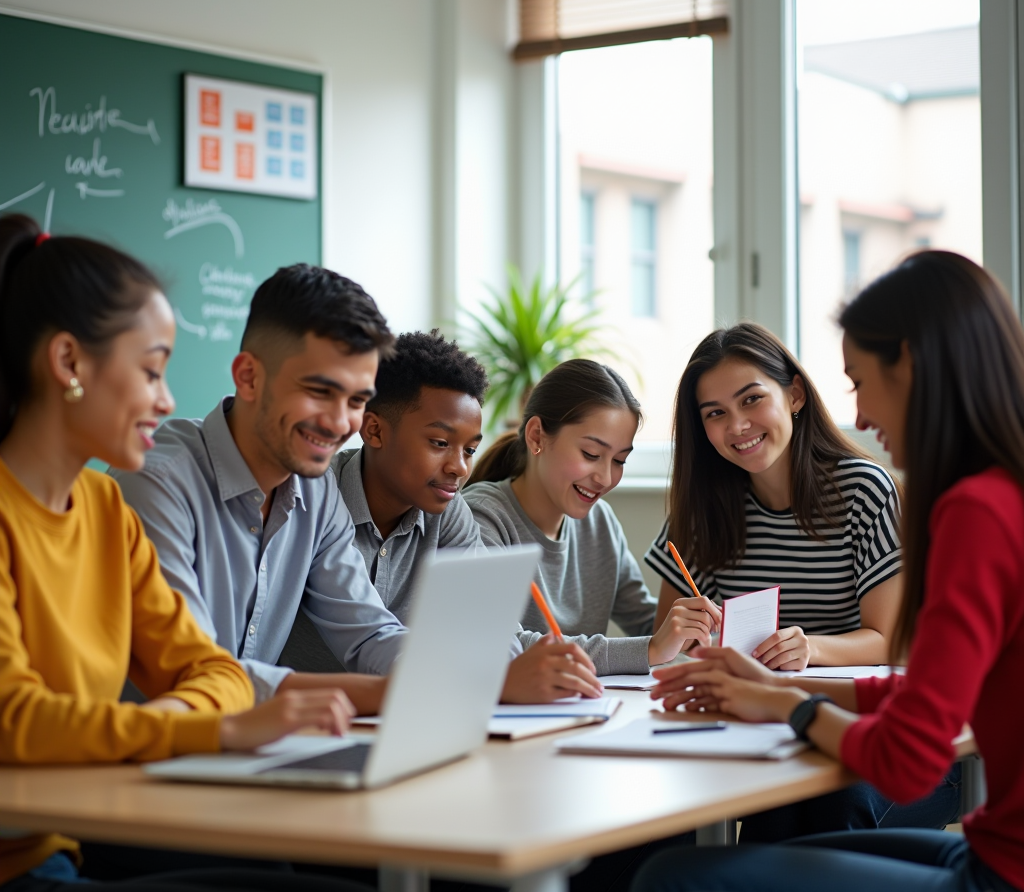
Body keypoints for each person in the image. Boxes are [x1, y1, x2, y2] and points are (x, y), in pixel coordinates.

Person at [0, 213, 398, 892]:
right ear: (69, 363)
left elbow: (210, 666)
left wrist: (221, 715)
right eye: (151, 370)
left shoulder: (99, 511)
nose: (163, 396)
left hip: (60, 850)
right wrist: (218, 727)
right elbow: (14, 720)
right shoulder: (77, 500)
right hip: (14, 873)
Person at [632, 249, 1024, 892]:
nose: (863, 412)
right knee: (769, 858)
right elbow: (933, 698)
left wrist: (790, 699)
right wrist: (764, 686)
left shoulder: (974, 511)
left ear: (912, 365)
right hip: (997, 858)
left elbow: (911, 754)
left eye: (861, 381)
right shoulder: (1001, 493)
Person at [642, 322, 959, 840]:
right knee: (755, 803)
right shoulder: (699, 509)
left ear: (794, 395)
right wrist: (686, 637)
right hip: (766, 733)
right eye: (715, 414)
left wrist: (809, 648)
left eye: (751, 400)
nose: (737, 425)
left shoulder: (862, 489)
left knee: (821, 803)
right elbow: (672, 653)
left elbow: (891, 643)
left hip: (885, 739)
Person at [112, 263, 406, 714]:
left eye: (357, 400)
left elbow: (369, 632)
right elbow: (195, 669)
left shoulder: (318, 491)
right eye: (319, 391)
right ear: (248, 377)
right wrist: (375, 695)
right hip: (146, 761)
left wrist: (451, 678)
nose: (339, 422)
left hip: (250, 754)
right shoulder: (156, 482)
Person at [280, 329, 604, 704]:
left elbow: (491, 628)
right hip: (307, 723)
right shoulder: (316, 498)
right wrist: (488, 682)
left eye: (469, 449)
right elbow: (369, 638)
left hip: (409, 715)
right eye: (439, 444)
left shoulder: (449, 512)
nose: (459, 468)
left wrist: (512, 667)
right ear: (373, 430)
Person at [464, 358, 696, 675]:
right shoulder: (480, 518)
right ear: (536, 437)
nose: (605, 477)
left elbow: (646, 621)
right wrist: (652, 648)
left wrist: (692, 628)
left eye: (619, 460)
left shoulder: (600, 521)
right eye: (591, 454)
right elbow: (506, 645)